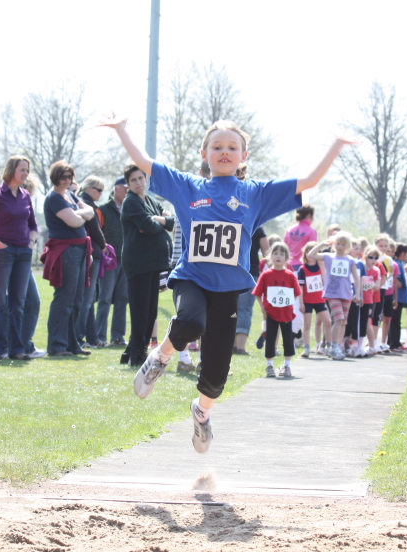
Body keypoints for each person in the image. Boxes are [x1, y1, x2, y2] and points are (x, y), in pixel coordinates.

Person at [100, 112, 354, 453]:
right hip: (192, 278)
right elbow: (145, 162)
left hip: (228, 289)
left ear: (243, 156)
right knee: (190, 322)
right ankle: (159, 357)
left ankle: (202, 413)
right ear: (204, 153)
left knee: (218, 370)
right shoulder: (187, 186)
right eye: (217, 146)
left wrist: (337, 144)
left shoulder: (256, 193)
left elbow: (309, 180)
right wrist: (121, 129)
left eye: (232, 147)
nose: (224, 152)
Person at [120, 162, 174, 367]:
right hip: (138, 263)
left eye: (140, 178)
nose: (138, 183)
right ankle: (138, 358)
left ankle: (129, 354)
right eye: (133, 180)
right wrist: (159, 222)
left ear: (146, 179)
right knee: (141, 312)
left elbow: (172, 222)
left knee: (150, 313)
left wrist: (156, 220)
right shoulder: (131, 202)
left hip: (154, 264)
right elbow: (148, 226)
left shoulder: (150, 200)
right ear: (128, 184)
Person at [42, 160, 94, 356]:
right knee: (65, 299)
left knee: (77, 299)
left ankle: (72, 344)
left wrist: (78, 213)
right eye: (63, 176)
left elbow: (90, 212)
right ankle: (57, 346)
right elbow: (74, 222)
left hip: (80, 250)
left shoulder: (70, 195)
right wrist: (80, 214)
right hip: (67, 251)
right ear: (55, 177)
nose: (67, 180)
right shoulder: (54, 198)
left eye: (70, 176)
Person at [0, 156, 38, 360]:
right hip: (4, 252)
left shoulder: (25, 195)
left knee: (18, 303)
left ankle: (17, 350)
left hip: (24, 253)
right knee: (0, 302)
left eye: (27, 170)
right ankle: (0, 348)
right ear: (11, 170)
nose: (26, 174)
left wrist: (31, 243)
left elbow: (33, 225)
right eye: (22, 169)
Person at [308, 231, 360, 360]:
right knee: (338, 318)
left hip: (346, 294)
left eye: (343, 244)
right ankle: (333, 345)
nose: (340, 247)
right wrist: (322, 244)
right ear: (334, 244)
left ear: (347, 246)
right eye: (338, 244)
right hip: (332, 293)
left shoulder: (350, 260)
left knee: (343, 322)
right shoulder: (329, 257)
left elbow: (356, 278)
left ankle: (338, 346)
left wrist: (358, 294)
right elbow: (311, 255)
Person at [253, 242, 301, 377]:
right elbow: (257, 293)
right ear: (270, 256)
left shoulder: (290, 275)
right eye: (275, 253)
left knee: (288, 339)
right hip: (271, 313)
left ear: (287, 257)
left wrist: (291, 304)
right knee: (270, 338)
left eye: (282, 254)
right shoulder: (266, 275)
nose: (278, 256)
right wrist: (262, 307)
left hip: (286, 313)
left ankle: (287, 366)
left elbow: (297, 292)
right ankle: (269, 366)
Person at [95, 176, 129, 347]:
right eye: (125, 189)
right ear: (116, 189)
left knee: (123, 298)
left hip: (127, 261)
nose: (127, 192)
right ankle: (99, 336)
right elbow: (96, 232)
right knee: (105, 298)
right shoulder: (103, 209)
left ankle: (118, 337)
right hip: (109, 261)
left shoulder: (132, 208)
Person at [75, 176, 107, 348]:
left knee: (89, 298)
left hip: (85, 253)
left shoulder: (79, 202)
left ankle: (91, 338)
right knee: (87, 299)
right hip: (91, 253)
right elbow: (95, 230)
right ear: (88, 188)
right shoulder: (88, 205)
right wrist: (104, 245)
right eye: (98, 189)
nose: (101, 193)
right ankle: (79, 338)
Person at [21, 174, 46, 358]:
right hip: (6, 259)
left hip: (24, 259)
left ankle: (23, 344)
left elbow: (34, 228)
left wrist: (31, 242)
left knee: (32, 301)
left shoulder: (26, 208)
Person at [234, 225, 269, 355]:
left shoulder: (233, 222)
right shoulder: (258, 228)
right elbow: (267, 252)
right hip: (251, 271)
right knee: (245, 308)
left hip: (232, 270)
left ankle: (232, 345)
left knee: (231, 308)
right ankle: (241, 347)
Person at [297, 241, 332, 357]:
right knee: (307, 324)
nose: (310, 254)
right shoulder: (302, 269)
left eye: (312, 251)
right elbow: (300, 288)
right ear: (305, 253)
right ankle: (306, 348)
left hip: (320, 300)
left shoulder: (321, 267)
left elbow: (325, 280)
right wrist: (301, 303)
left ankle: (329, 346)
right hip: (307, 301)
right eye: (308, 251)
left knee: (328, 322)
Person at [284, 204, 317, 272]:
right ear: (309, 215)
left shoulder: (289, 230)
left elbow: (284, 249)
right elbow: (313, 252)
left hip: (288, 266)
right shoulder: (312, 231)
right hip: (304, 267)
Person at [389, 243, 407, 351]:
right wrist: (399, 283)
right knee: (395, 320)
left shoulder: (401, 264)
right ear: (403, 254)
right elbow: (395, 278)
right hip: (398, 296)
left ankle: (395, 341)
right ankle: (394, 343)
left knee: (396, 319)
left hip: (401, 297)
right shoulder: (397, 264)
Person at [361, 246, 381, 356]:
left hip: (369, 300)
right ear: (365, 256)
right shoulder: (360, 266)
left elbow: (377, 286)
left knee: (367, 322)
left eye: (376, 258)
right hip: (358, 298)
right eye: (371, 257)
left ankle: (372, 346)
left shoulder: (376, 270)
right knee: (355, 321)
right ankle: (353, 344)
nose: (373, 260)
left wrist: (370, 283)